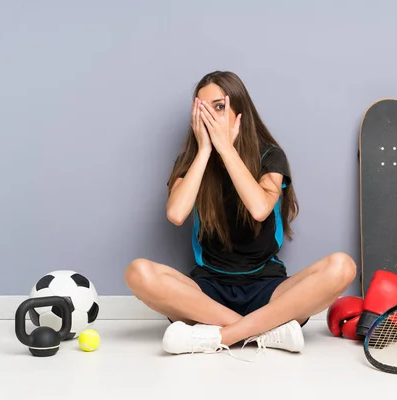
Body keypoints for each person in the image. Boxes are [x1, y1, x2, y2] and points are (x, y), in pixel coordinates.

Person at [125, 71, 356, 356]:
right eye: (203, 108)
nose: (211, 115)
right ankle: (266, 332)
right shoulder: (191, 161)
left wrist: (226, 148)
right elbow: (176, 213)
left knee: (342, 266)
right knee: (138, 272)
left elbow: (259, 209)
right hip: (207, 294)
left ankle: (220, 336)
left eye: (219, 107)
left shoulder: (270, 156)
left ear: (239, 112)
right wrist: (205, 151)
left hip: (269, 291)